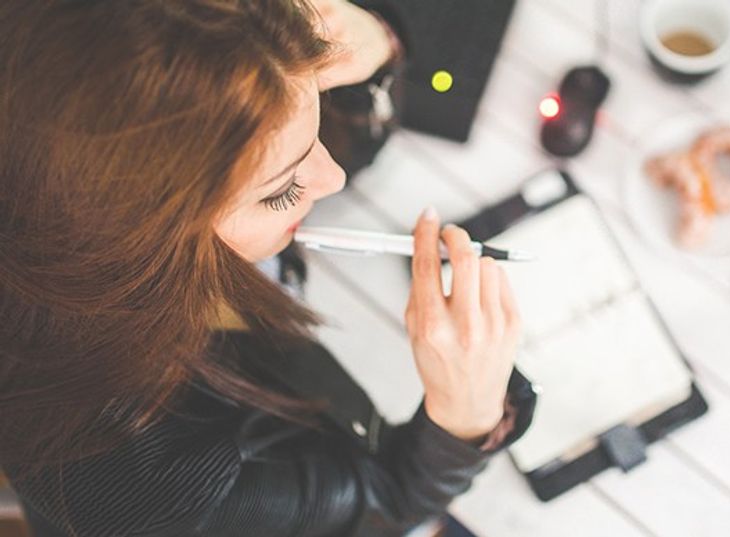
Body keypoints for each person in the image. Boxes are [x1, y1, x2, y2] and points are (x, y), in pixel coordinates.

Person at [0, 1, 536, 536]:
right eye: (281, 190)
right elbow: (386, 506)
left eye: (315, 119)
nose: (331, 179)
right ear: (146, 237)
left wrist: (375, 39)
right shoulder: (153, 482)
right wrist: (463, 416)